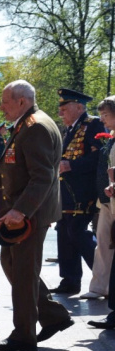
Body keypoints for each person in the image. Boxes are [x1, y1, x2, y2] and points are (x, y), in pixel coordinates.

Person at [0, 80, 72, 351]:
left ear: (21, 101)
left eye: (5, 101)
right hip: (26, 211)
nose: (1, 106)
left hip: (30, 215)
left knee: (23, 272)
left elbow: (42, 176)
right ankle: (53, 315)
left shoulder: (35, 126)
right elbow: (22, 167)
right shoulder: (29, 122)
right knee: (14, 266)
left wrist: (21, 210)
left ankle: (23, 335)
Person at [51, 88, 105, 295]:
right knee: (64, 233)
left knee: (77, 232)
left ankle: (105, 277)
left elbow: (100, 157)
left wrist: (72, 165)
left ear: (79, 107)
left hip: (84, 191)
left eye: (64, 108)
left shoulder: (94, 125)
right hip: (66, 192)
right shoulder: (71, 129)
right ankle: (70, 281)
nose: (60, 113)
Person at [86, 97, 115, 323]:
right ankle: (99, 286)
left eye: (106, 114)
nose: (102, 119)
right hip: (106, 199)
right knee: (102, 241)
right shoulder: (111, 137)